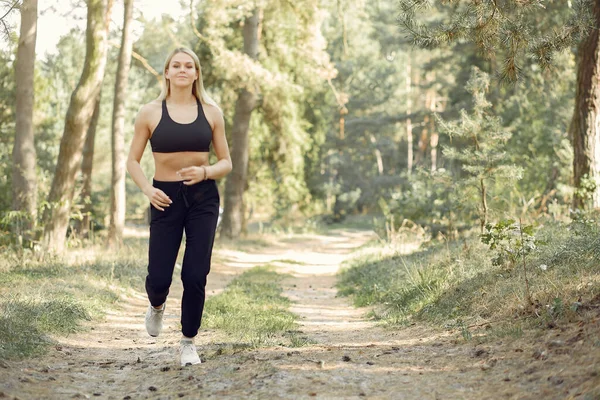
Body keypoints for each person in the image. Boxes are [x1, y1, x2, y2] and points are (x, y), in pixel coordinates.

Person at [126, 47, 232, 366]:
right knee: (158, 277)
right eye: (176, 65)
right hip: (164, 197)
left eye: (189, 65)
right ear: (167, 73)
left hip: (203, 197)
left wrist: (205, 171)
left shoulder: (212, 112)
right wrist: (148, 190)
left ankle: (188, 341)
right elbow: (132, 160)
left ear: (196, 74)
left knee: (195, 272)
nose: (183, 69)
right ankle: (156, 305)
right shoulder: (150, 112)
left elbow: (227, 162)